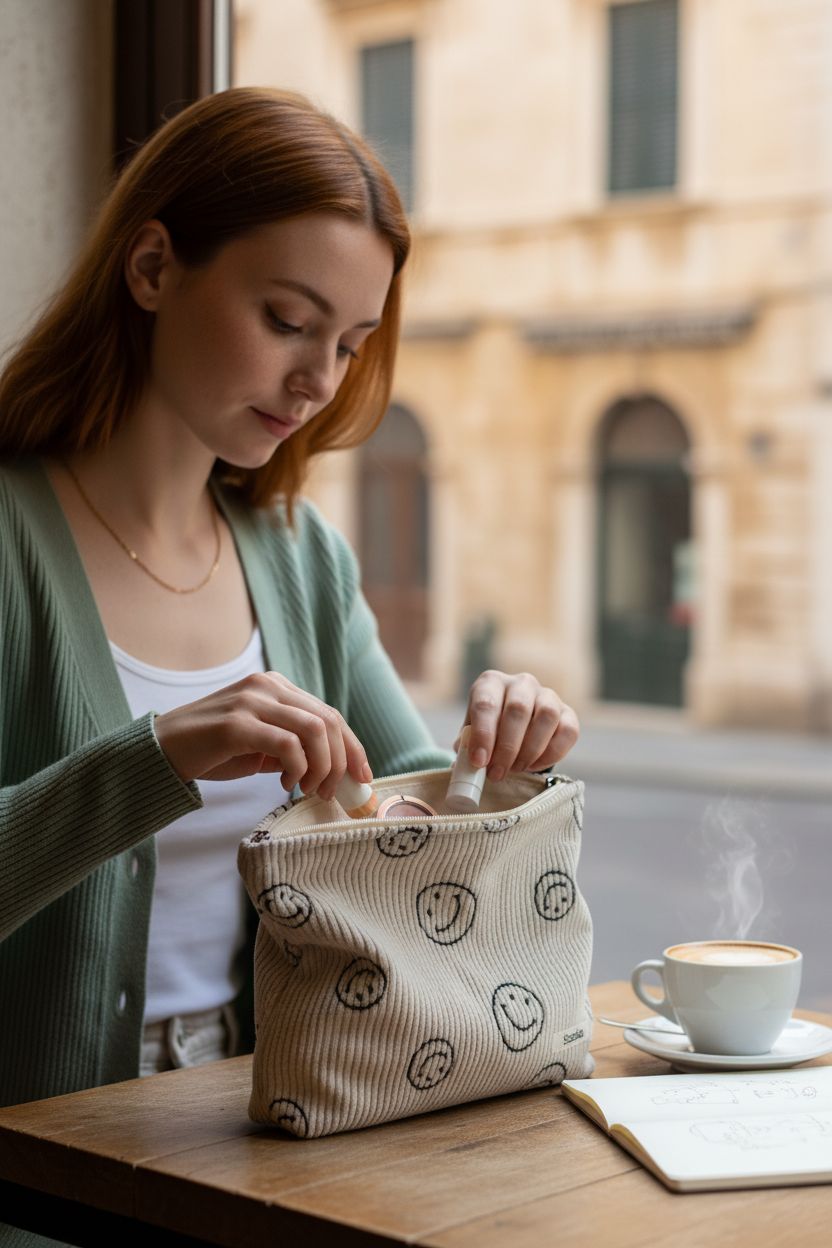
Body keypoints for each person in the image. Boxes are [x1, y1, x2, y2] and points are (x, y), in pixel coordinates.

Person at [0, 85, 578, 1133]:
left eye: (350, 343)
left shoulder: (300, 554)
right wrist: (154, 761)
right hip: (41, 1160)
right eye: (287, 322)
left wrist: (501, 765)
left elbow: (411, 822)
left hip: (259, 1129)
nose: (317, 381)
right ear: (152, 267)